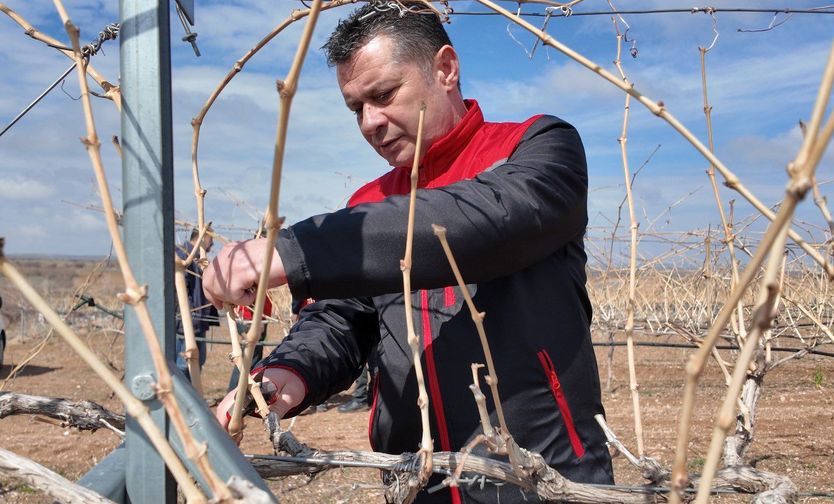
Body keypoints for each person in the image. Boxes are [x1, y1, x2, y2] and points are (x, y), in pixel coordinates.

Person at [204, 3, 613, 502]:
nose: (370, 123)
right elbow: (342, 320)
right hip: (416, 480)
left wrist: (294, 250)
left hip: (545, 478)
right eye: (355, 107)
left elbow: (487, 220)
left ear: (444, 68)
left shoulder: (536, 149)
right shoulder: (365, 207)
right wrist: (288, 373)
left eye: (383, 95)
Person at [175, 228, 219, 381]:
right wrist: (191, 315)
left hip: (197, 322)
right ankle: (181, 402)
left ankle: (191, 397)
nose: (212, 244)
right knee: (183, 365)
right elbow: (180, 290)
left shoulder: (198, 258)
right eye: (210, 239)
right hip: (186, 323)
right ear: (203, 237)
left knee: (198, 361)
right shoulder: (182, 256)